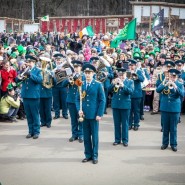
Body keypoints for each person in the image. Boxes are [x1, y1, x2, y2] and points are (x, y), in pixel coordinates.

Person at [76, 63, 105, 164]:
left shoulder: (98, 85)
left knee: (95, 137)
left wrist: (99, 114)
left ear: (93, 74)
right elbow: (77, 99)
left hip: (94, 115)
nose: (87, 75)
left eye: (89, 73)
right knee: (86, 136)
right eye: (86, 73)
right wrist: (78, 109)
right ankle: (88, 155)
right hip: (83, 115)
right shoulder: (80, 83)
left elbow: (102, 100)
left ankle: (95, 156)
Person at [156, 69, 184, 152]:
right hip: (165, 108)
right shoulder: (165, 82)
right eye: (171, 76)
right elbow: (158, 90)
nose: (172, 78)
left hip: (174, 109)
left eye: (174, 76)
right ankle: (164, 143)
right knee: (165, 127)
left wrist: (175, 86)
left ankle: (173, 144)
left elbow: (182, 94)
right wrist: (164, 83)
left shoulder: (180, 84)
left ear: (177, 77)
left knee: (173, 128)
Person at [19, 55, 43, 139]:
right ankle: (30, 131)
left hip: (33, 95)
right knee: (28, 115)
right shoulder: (25, 70)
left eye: (30, 62)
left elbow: (40, 80)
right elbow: (18, 79)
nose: (28, 64)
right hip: (26, 95)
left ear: (34, 62)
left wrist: (30, 74)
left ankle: (36, 132)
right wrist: (21, 75)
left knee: (35, 114)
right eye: (28, 62)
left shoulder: (38, 71)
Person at [109, 68, 134, 146]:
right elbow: (109, 90)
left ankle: (125, 140)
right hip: (116, 105)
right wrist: (113, 84)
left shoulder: (130, 81)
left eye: (122, 75)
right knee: (116, 123)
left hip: (125, 105)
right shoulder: (116, 81)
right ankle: (117, 139)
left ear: (125, 74)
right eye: (120, 75)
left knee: (125, 124)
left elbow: (131, 91)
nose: (121, 77)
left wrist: (123, 86)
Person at [63, 60, 84, 143]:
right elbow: (63, 85)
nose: (76, 69)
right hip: (71, 99)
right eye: (74, 67)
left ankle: (81, 135)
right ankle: (74, 134)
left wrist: (77, 80)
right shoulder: (70, 75)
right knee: (73, 119)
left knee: (81, 118)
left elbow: (83, 85)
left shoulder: (83, 75)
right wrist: (68, 80)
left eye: (77, 67)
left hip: (80, 100)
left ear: (80, 68)